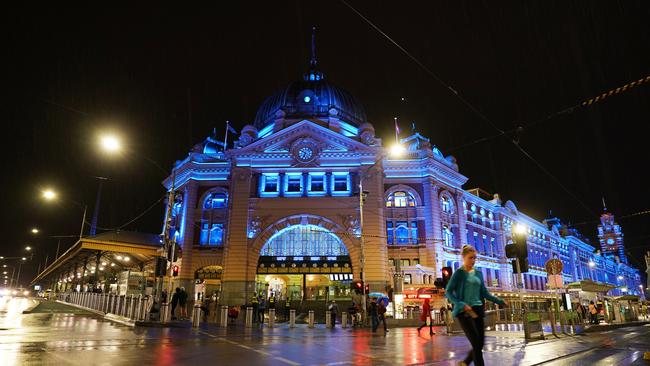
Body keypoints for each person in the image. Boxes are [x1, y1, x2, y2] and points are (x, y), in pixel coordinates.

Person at [446, 244, 507, 366]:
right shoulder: (459, 273)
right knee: (476, 343)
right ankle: (468, 362)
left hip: (478, 310)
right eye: (470, 258)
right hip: (464, 312)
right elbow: (448, 292)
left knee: (479, 343)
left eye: (474, 258)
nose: (473, 260)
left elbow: (484, 293)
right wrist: (461, 304)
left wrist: (500, 301)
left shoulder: (478, 273)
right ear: (463, 257)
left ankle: (465, 362)